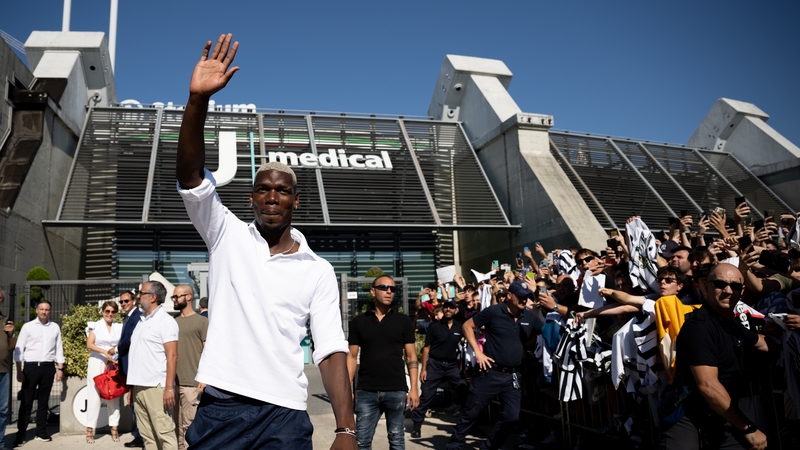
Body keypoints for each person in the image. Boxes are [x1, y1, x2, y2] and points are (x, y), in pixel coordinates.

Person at [177, 33, 355, 450]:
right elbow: (190, 177)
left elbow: (330, 352)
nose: (272, 196)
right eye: (262, 189)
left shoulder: (318, 270)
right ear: (251, 197)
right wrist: (197, 101)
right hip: (221, 406)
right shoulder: (225, 234)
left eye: (281, 190)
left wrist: (345, 428)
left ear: (296, 200)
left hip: (285, 416)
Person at [660, 263, 769, 450]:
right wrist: (748, 428)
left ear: (742, 290)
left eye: (735, 286)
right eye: (720, 284)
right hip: (690, 418)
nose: (728, 291)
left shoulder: (730, 323)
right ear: (706, 286)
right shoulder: (699, 326)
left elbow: (761, 343)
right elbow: (708, 385)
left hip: (722, 416)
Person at [446, 280, 542, 450]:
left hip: (513, 376)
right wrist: (478, 352)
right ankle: (453, 444)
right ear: (509, 295)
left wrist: (523, 347)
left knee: (512, 416)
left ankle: (489, 447)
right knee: (472, 412)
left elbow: (542, 331)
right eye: (520, 296)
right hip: (490, 373)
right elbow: (468, 326)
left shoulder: (529, 316)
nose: (523, 299)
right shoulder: (494, 312)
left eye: (526, 296)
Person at [347, 275, 418, 449]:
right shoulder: (358, 322)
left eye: (393, 289)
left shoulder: (403, 321)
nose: (389, 292)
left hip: (396, 390)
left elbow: (411, 356)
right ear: (373, 291)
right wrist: (347, 389)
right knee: (361, 442)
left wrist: (415, 389)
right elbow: (350, 356)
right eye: (384, 287)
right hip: (366, 391)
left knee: (396, 441)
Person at [127, 281, 179, 450]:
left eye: (141, 293)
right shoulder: (141, 321)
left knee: (165, 435)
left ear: (153, 297)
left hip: (156, 387)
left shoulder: (165, 321)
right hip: (139, 387)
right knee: (148, 437)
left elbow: (172, 356)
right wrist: (131, 388)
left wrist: (169, 388)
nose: (137, 296)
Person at [411, 299, 467, 438]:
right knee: (427, 396)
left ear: (456, 310)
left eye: (451, 308)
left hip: (452, 366)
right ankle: (417, 426)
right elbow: (426, 348)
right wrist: (424, 369)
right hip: (435, 365)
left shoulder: (460, 327)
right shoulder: (434, 327)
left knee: (465, 392)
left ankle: (471, 425)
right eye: (446, 307)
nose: (448, 310)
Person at [13, 300, 65, 445]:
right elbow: (19, 350)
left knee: (43, 402)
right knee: (26, 402)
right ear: (36, 310)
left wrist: (60, 368)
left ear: (50, 311)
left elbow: (58, 349)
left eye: (47, 309)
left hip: (48, 368)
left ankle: (41, 432)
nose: (44, 312)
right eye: (41, 309)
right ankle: (21, 434)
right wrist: (19, 371)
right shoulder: (27, 327)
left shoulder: (54, 327)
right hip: (30, 368)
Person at [172, 285, 208, 450]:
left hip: (192, 383)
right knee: (176, 427)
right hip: (173, 384)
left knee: (189, 426)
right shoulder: (173, 322)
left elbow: (208, 351)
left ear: (188, 297)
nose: (173, 299)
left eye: (176, 296)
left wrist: (205, 377)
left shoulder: (202, 321)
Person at [85, 301, 123, 443]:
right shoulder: (95, 325)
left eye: (113, 312)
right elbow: (89, 344)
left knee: (113, 394)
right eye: (107, 311)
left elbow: (121, 344)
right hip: (97, 362)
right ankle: (90, 430)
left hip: (113, 363)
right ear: (102, 312)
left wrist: (114, 357)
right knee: (94, 395)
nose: (110, 314)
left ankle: (114, 429)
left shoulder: (119, 327)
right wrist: (105, 352)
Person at [117, 290, 145, 448]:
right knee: (133, 402)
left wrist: (115, 352)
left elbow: (128, 341)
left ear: (134, 301)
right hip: (128, 367)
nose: (123, 304)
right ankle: (139, 435)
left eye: (126, 301)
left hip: (134, 366)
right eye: (121, 302)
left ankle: (141, 436)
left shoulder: (136, 317)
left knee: (136, 403)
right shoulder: (129, 317)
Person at [0, 288, 15, 450]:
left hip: (4, 371)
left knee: (3, 410)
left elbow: (10, 347)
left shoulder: (6, 321)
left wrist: (11, 335)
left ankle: (1, 443)